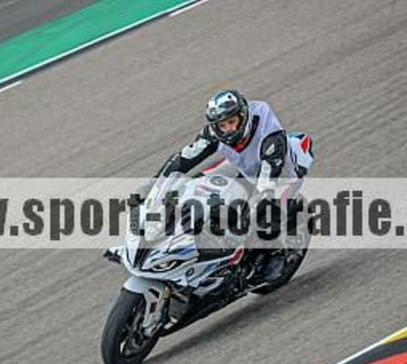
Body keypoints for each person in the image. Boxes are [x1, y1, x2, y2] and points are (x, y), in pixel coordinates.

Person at [107, 90, 314, 285]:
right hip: (244, 166)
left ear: (243, 117)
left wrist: (245, 217)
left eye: (232, 122)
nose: (228, 129)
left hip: (279, 174)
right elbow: (183, 160)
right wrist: (153, 186)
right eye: (222, 125)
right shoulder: (214, 132)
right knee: (191, 187)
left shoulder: (271, 137)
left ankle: (276, 254)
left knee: (259, 216)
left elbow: (266, 185)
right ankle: (152, 244)